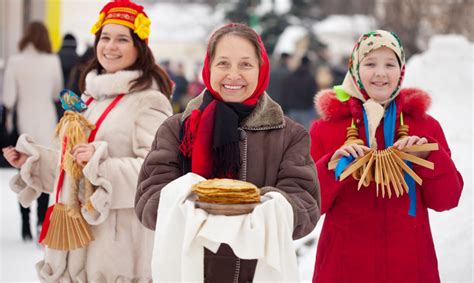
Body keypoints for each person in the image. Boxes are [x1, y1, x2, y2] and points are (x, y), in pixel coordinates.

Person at [135, 23, 321, 282]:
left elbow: (306, 208)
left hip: (255, 273)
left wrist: (255, 205)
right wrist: (199, 200)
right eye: (223, 64)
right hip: (190, 272)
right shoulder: (177, 129)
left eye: (245, 65)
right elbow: (148, 202)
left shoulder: (290, 135)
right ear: (208, 68)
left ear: (261, 69)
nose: (233, 75)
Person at [2, 0, 173, 281]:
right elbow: (74, 172)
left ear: (139, 47)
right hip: (78, 247)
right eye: (105, 38)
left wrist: (99, 165)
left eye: (122, 39)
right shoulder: (91, 98)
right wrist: (36, 162)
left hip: (116, 256)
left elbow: (155, 176)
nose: (110, 46)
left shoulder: (149, 101)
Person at [309, 30, 463, 283]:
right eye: (370, 63)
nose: (381, 73)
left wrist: (428, 155)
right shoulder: (326, 128)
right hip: (344, 268)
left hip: (410, 267)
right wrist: (332, 166)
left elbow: (447, 199)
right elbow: (311, 206)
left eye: (390, 64)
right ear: (355, 69)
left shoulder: (425, 127)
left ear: (401, 71)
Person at [2, 21, 63, 241]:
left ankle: (25, 224)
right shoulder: (52, 60)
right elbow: (57, 92)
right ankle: (41, 220)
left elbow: (8, 98)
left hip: (23, 123)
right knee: (45, 170)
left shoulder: (15, 62)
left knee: (24, 172)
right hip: (47, 122)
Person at [282, 55, 318, 129]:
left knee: (291, 133)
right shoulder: (310, 77)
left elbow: (286, 92)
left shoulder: (292, 75)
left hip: (292, 109)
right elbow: (313, 94)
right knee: (304, 134)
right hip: (305, 110)